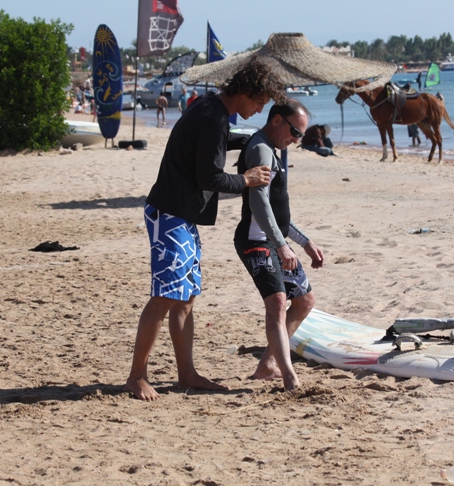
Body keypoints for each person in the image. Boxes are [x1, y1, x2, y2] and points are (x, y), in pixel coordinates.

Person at [126, 58, 287, 401]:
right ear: (246, 92)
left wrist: (244, 140)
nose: (260, 110)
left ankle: (187, 374)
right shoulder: (213, 116)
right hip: (170, 215)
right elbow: (209, 177)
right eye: (259, 102)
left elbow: (211, 143)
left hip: (180, 216)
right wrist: (246, 179)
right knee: (165, 297)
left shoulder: (212, 111)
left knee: (185, 298)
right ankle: (136, 375)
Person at [234, 99, 325, 391]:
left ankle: (267, 365)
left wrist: (304, 241)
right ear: (276, 121)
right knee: (277, 304)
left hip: (274, 240)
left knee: (304, 301)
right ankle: (288, 375)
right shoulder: (261, 148)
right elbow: (258, 203)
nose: (297, 140)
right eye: (295, 133)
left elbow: (277, 212)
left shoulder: (271, 149)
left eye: (301, 135)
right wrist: (282, 245)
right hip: (256, 242)